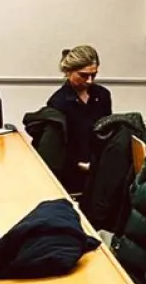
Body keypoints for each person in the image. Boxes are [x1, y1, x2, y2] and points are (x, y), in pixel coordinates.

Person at [46, 44, 113, 192]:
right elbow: (58, 148)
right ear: (68, 72)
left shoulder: (102, 95)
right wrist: (79, 164)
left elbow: (108, 131)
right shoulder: (58, 102)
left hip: (100, 167)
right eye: (83, 75)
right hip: (72, 172)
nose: (89, 80)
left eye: (93, 75)